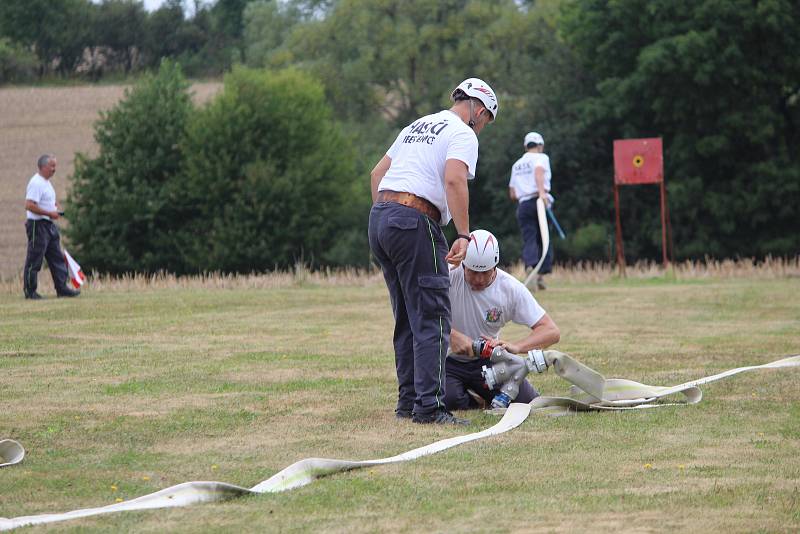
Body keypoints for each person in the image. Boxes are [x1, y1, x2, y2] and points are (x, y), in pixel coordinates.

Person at [368, 78, 499, 425]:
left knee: (408, 318)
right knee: (433, 317)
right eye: (485, 122)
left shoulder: (417, 125)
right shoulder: (462, 133)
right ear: (479, 111)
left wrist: (389, 215)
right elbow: (454, 180)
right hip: (414, 220)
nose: (482, 128)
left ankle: (408, 403)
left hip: (380, 217)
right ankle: (429, 408)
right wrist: (463, 234)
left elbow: (377, 173)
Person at [444, 229, 560, 411]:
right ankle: (474, 398)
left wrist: (517, 347)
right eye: (473, 272)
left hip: (488, 361)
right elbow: (417, 313)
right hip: (447, 361)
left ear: (496, 265)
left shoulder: (510, 288)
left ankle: (479, 393)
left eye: (486, 272)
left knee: (526, 403)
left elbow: (551, 331)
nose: (479, 279)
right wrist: (449, 335)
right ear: (463, 265)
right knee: (448, 401)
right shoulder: (447, 277)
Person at [23, 154, 79, 300]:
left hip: (48, 224)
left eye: (55, 166)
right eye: (52, 166)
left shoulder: (46, 182)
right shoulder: (36, 183)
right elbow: (29, 205)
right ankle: (30, 291)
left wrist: (54, 211)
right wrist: (49, 213)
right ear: (42, 167)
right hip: (37, 225)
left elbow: (45, 202)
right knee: (35, 259)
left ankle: (62, 288)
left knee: (57, 258)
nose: (54, 169)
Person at [509, 131, 553, 290]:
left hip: (523, 204)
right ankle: (541, 275)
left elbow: (512, 193)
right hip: (539, 201)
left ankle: (531, 267)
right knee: (544, 238)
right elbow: (539, 172)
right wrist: (542, 193)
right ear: (540, 145)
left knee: (530, 238)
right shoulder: (542, 158)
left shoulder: (517, 164)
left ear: (526, 146)